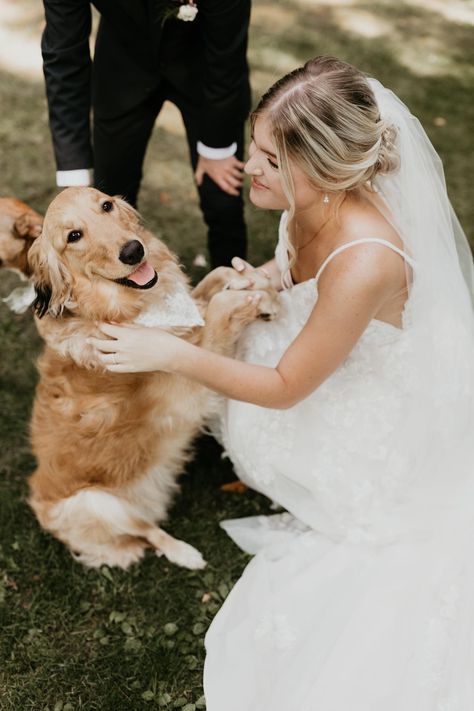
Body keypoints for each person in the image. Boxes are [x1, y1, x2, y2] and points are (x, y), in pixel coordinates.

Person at [90, 57, 474, 709]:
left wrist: (169, 352)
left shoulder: (369, 258)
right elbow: (293, 261)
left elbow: (288, 385)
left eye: (271, 158)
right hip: (317, 356)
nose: (252, 165)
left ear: (325, 171)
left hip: (360, 416)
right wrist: (266, 277)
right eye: (257, 144)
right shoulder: (310, 202)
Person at [41, 0, 251, 268]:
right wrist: (75, 176)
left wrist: (216, 150)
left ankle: (239, 292)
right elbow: (64, 56)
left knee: (221, 199)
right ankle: (126, 299)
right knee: (109, 198)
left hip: (207, 69)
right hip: (123, 66)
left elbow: (227, 51)